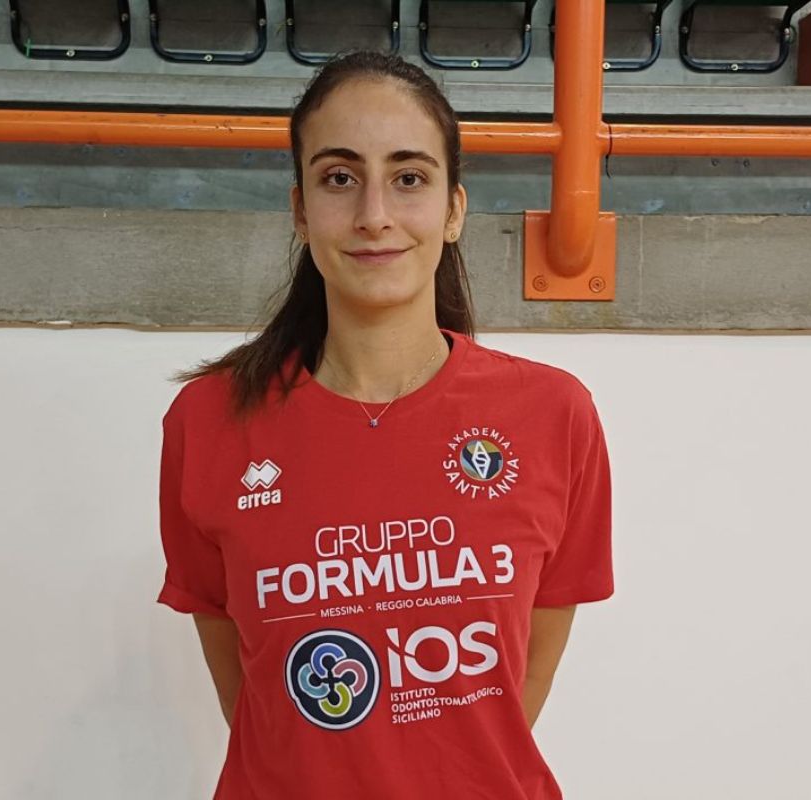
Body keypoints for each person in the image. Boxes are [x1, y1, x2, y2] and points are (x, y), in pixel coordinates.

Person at [156, 49, 613, 800]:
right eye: (340, 178)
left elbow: (519, 680)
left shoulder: (553, 414)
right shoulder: (207, 423)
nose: (374, 215)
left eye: (409, 178)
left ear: (454, 209)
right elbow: (252, 691)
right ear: (301, 209)